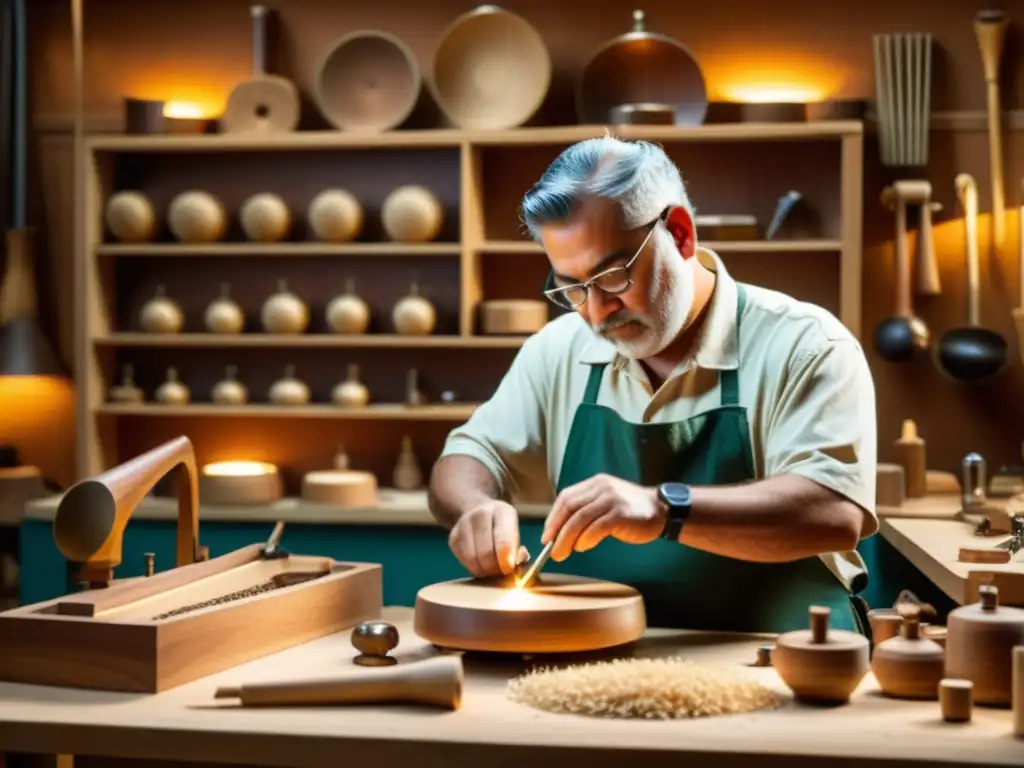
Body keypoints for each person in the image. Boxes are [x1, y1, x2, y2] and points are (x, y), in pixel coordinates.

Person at [427, 135, 878, 635]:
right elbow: (466, 456)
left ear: (680, 234)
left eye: (613, 276)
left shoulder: (807, 344)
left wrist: (661, 507)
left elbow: (834, 512)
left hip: (782, 653)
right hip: (608, 652)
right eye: (572, 288)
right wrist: (475, 508)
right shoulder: (558, 350)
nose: (596, 312)